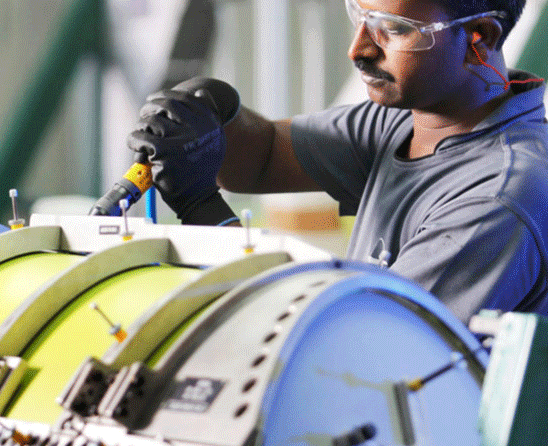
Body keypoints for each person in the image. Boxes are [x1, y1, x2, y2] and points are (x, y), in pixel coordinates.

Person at [127, 0, 548, 323]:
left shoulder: (496, 198)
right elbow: (266, 156)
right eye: (360, 15)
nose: (358, 49)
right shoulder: (407, 120)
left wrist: (203, 209)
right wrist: (216, 117)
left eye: (394, 28)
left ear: (480, 37)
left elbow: (348, 344)